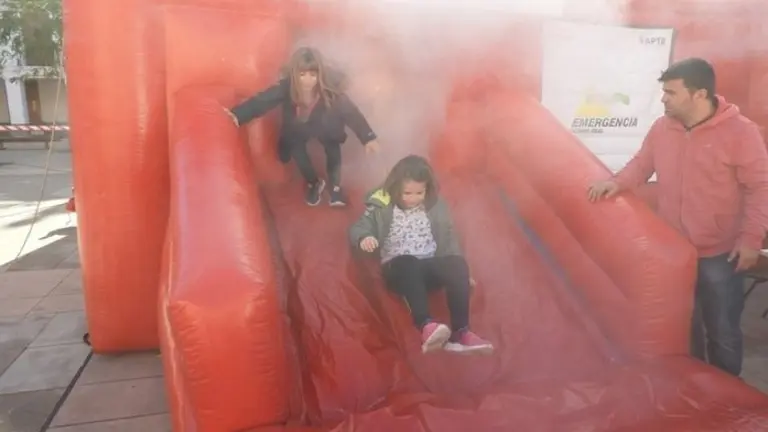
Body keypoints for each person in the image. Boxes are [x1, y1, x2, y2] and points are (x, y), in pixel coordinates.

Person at [587, 57, 768, 377]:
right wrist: (615, 183)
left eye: (671, 92)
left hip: (720, 253)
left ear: (699, 94)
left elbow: (760, 187)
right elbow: (642, 164)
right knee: (685, 328)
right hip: (674, 252)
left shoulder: (741, 132)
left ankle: (728, 393)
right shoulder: (662, 128)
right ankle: (695, 386)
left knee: (722, 330)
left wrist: (751, 240)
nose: (663, 99)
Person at [349, 155, 494, 355]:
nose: (413, 198)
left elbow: (448, 238)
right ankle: (425, 325)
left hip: (428, 266)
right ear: (395, 188)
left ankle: (461, 333)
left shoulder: (435, 206)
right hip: (398, 269)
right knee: (409, 262)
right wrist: (365, 237)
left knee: (457, 263)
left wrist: (460, 276)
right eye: (407, 193)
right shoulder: (381, 204)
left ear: (427, 189)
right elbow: (359, 227)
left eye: (419, 193)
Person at [225, 47, 381, 207]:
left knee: (333, 147)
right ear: (294, 75)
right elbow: (264, 100)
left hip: (326, 124)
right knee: (296, 149)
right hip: (300, 125)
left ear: (319, 75)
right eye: (302, 75)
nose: (307, 80)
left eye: (312, 75)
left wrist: (368, 137)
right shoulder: (287, 87)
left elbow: (351, 113)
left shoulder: (330, 91)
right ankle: (314, 182)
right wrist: (238, 115)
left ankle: (335, 188)